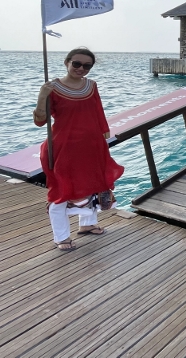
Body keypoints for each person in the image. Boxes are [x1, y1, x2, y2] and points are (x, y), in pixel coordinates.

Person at [34, 48, 124, 251]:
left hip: (91, 145)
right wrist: (42, 96)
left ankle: (87, 225)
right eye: (76, 64)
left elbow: (98, 113)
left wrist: (103, 137)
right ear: (67, 62)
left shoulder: (91, 86)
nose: (81, 69)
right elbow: (40, 121)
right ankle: (61, 236)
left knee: (93, 183)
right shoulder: (52, 87)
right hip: (63, 146)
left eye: (87, 66)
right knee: (61, 189)